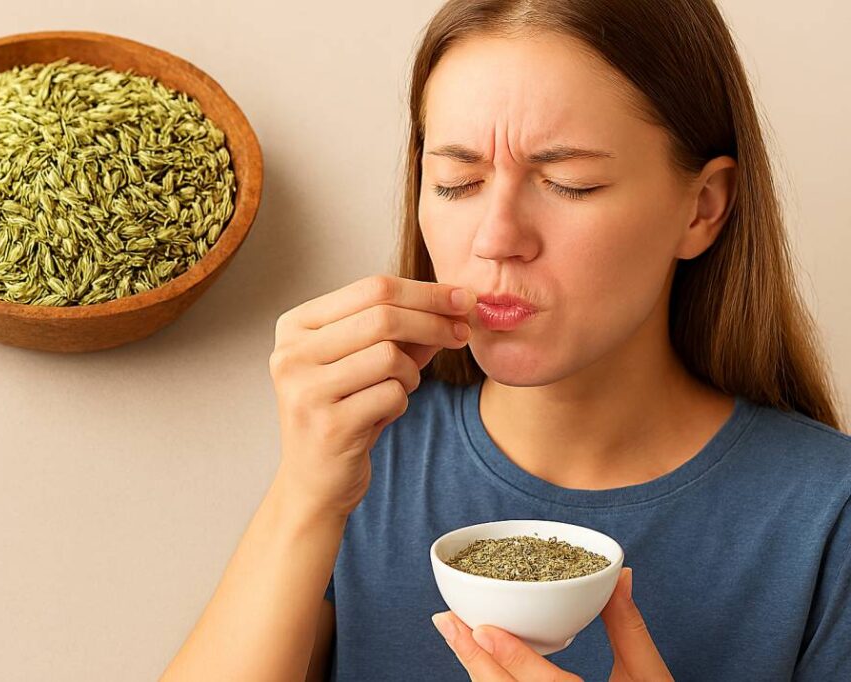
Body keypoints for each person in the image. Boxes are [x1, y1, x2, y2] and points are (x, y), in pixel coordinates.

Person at [160, 0, 850, 679]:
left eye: (568, 184)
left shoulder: (828, 519)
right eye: (457, 184)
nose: (495, 240)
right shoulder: (366, 451)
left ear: (703, 209)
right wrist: (304, 495)